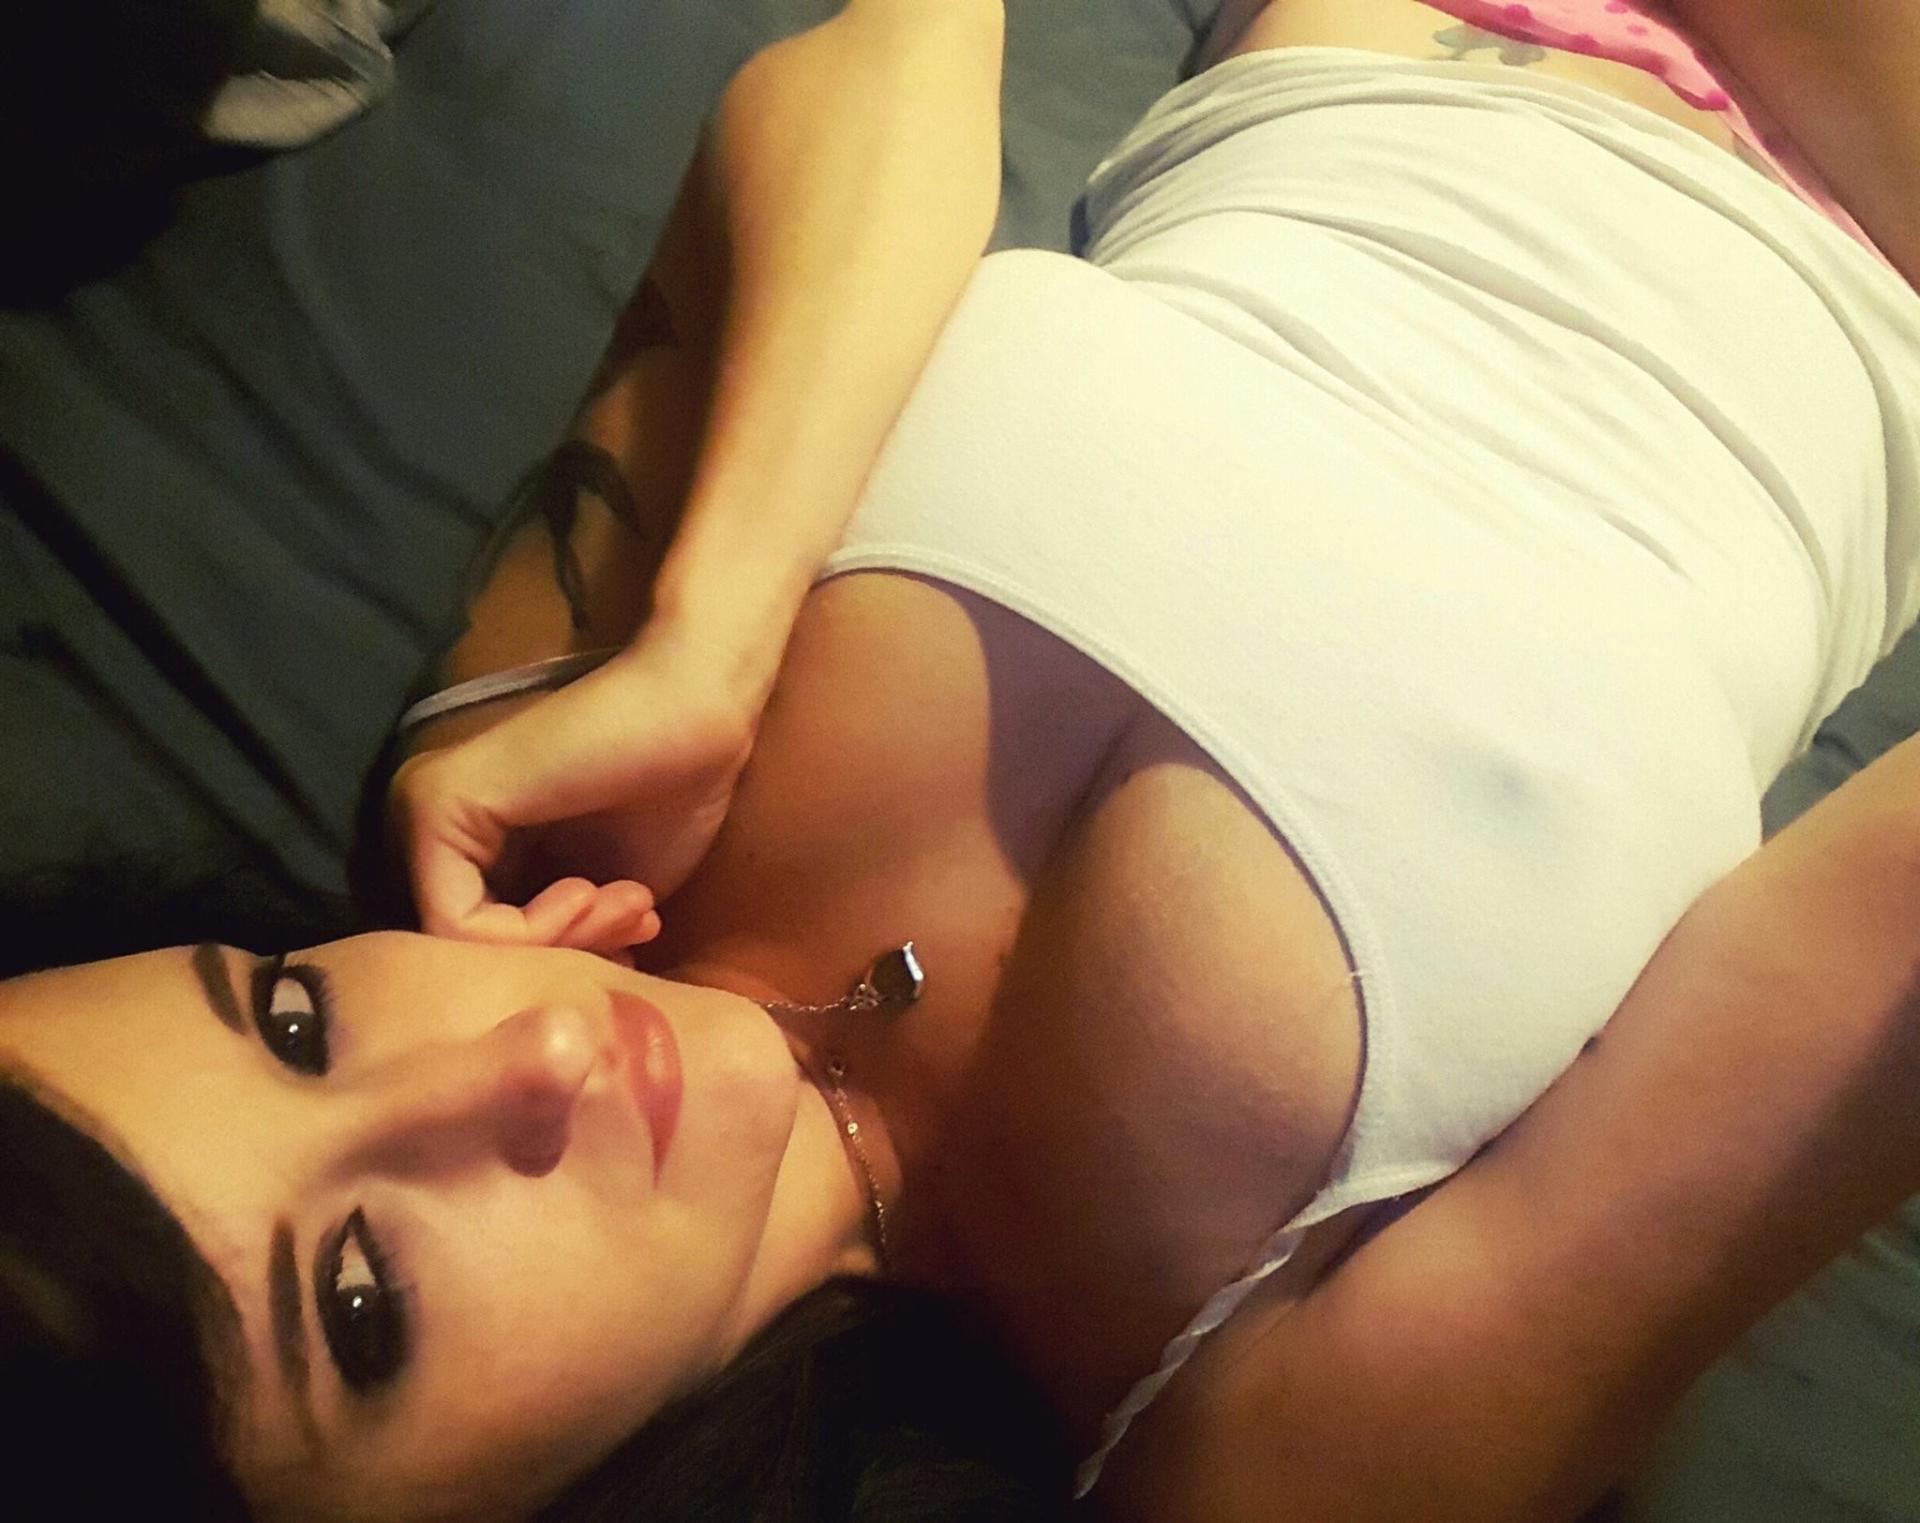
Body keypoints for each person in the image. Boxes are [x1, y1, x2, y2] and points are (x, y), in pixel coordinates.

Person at [6, 4, 1920, 1523]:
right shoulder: (1238, 1450)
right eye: (362, 1305)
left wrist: (712, 631)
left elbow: (901, 52)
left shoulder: (529, 789)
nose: (529, 1054)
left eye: (291, 1020)